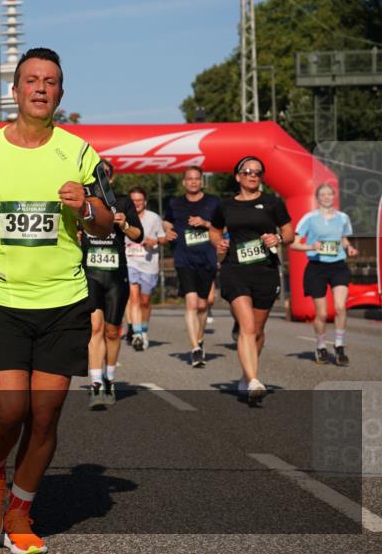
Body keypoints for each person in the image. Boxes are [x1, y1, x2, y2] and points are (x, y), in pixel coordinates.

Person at [0, 47, 113, 554]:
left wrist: (85, 205)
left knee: (45, 417)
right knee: (7, 410)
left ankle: (20, 507)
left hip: (64, 299)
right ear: (16, 90)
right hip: (1, 295)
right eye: (32, 80)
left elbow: (105, 224)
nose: (41, 88)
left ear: (60, 93)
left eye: (51, 81)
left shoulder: (81, 152)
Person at [209, 156, 294, 405]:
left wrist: (278, 239)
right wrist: (219, 242)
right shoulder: (225, 206)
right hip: (235, 269)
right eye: (246, 171)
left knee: (257, 331)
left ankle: (246, 376)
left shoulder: (272, 203)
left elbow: (289, 232)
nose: (252, 175)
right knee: (246, 327)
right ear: (237, 177)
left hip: (265, 270)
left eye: (257, 172)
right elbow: (214, 230)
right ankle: (254, 379)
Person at [82, 160, 142, 409]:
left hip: (116, 276)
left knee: (111, 331)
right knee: (95, 328)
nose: (100, 180)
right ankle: (96, 384)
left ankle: (109, 377)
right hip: (91, 273)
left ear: (112, 179)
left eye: (105, 175)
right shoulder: (82, 203)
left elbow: (139, 236)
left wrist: (125, 224)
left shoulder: (124, 202)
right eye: (96, 175)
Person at [292, 183, 357, 366]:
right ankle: (321, 346)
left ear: (333, 197)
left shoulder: (343, 217)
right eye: (323, 194)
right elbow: (294, 243)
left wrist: (349, 248)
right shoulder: (309, 218)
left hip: (338, 266)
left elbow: (343, 239)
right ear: (317, 198)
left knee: (340, 307)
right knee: (321, 314)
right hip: (316, 267)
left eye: (330, 194)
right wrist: (311, 246)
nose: (327, 197)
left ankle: (339, 345)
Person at [162, 166, 221, 368]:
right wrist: (168, 232)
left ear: (201, 181)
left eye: (197, 179)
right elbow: (167, 222)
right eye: (190, 179)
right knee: (191, 303)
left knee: (204, 305)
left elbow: (225, 225)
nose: (194, 182)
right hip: (184, 257)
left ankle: (200, 338)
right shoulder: (175, 203)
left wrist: (205, 223)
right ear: (184, 182)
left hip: (207, 257)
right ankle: (195, 349)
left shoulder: (213, 202)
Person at [124, 187, 166, 351]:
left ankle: (144, 330)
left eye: (140, 200)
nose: (137, 203)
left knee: (145, 301)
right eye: (133, 200)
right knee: (134, 298)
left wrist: (153, 241)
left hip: (149, 264)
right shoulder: (124, 218)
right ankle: (137, 334)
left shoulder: (154, 218)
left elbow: (162, 238)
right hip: (130, 261)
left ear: (145, 202)